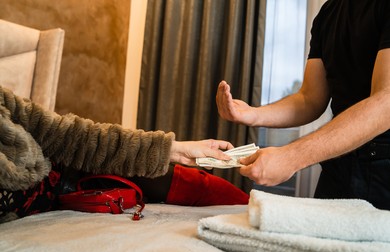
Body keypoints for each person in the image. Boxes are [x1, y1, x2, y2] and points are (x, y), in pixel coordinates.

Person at [216, 0, 390, 210]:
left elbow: (385, 103)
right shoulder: (328, 12)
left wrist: (291, 157)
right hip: (338, 165)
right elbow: (309, 98)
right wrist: (252, 114)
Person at [0, 86, 249, 223]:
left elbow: (70, 136)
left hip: (78, 173)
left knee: (209, 189)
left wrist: (178, 151)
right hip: (53, 206)